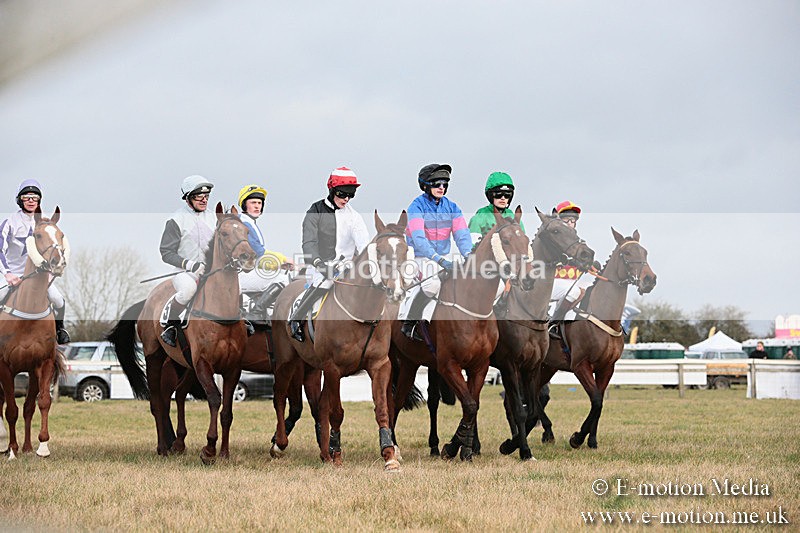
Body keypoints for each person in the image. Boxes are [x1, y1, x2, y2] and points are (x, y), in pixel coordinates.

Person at [288, 167, 369, 342]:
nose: (346, 199)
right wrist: (319, 264)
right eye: (342, 194)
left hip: (348, 267)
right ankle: (296, 319)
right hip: (320, 266)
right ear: (332, 190)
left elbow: (364, 246)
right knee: (324, 283)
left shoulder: (355, 217)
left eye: (351, 194)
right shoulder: (315, 211)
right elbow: (309, 243)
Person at [399, 163, 473, 341]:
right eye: (437, 184)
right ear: (425, 185)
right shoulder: (416, 207)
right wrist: (438, 259)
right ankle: (409, 322)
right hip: (420, 257)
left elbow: (462, 236)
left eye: (445, 184)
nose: (441, 187)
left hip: (444, 257)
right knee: (432, 285)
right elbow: (419, 239)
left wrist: (469, 256)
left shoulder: (453, 207)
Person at [0, 179, 70, 344]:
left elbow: (53, 249)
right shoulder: (10, 223)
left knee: (58, 299)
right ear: (20, 200)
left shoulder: (45, 223)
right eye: (26, 197)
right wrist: (8, 274)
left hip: (38, 275)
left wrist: (52, 271)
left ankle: (60, 330)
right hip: (13, 274)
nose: (31, 200)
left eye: (35, 197)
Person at [158, 175, 217, 347]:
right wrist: (190, 265)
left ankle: (242, 320)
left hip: (212, 271)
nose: (204, 200)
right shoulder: (176, 220)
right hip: (186, 272)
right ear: (188, 197)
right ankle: (171, 326)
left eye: (206, 196)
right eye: (199, 196)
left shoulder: (214, 218)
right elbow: (166, 252)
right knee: (187, 290)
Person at [237, 184, 293, 317]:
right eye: (253, 203)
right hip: (240, 275)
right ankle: (256, 312)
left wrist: (279, 264)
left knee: (281, 273)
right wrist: (284, 259)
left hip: (249, 271)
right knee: (284, 279)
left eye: (259, 203)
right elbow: (259, 253)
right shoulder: (243, 224)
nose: (257, 206)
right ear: (244, 205)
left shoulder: (249, 222)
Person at [548, 200, 594, 322]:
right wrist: (571, 261)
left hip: (570, 284)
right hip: (550, 282)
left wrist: (590, 264)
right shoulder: (552, 241)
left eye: (572, 220)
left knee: (589, 290)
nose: (570, 223)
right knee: (574, 292)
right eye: (566, 220)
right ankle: (553, 322)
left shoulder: (579, 243)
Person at [468, 171, 524, 248]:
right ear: (490, 196)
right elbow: (472, 247)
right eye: (499, 194)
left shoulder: (513, 217)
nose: (503, 198)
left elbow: (523, 242)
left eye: (507, 195)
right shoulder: (479, 218)